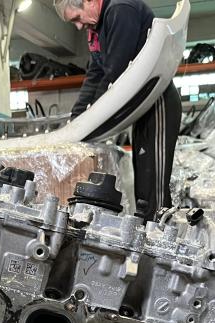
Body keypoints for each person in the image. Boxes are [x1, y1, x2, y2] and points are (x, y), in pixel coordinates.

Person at [55, 0, 181, 220]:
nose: (78, 25)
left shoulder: (120, 10)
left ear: (89, 1)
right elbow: (95, 74)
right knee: (144, 184)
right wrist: (76, 121)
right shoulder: (98, 27)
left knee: (154, 189)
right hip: (141, 108)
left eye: (77, 18)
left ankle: (159, 234)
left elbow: (116, 72)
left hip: (157, 102)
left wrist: (89, 121)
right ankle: (145, 229)